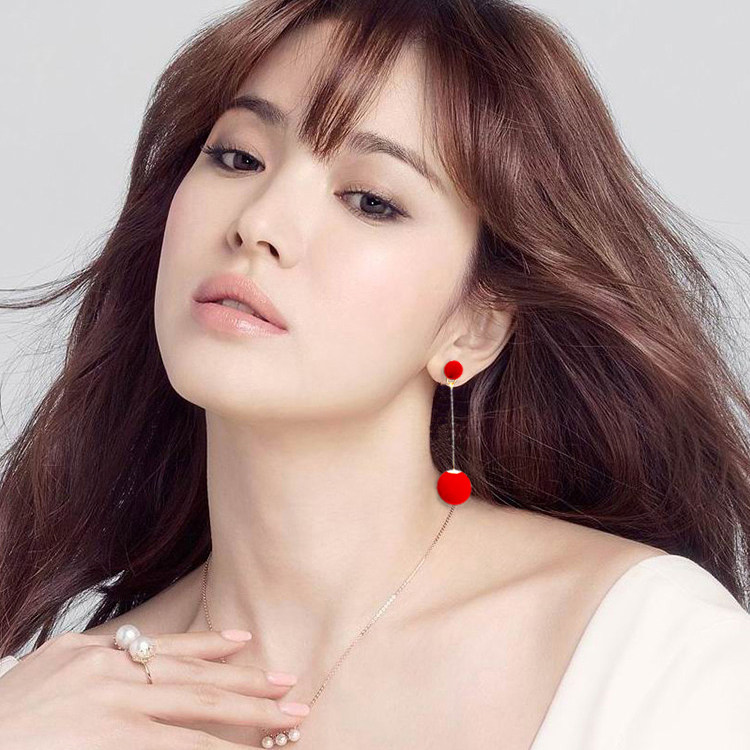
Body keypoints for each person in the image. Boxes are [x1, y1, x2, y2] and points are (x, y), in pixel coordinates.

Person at [1, 1, 749, 748]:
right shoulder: (47, 707)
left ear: (474, 323)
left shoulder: (650, 656)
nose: (258, 223)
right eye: (238, 158)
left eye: (370, 202)